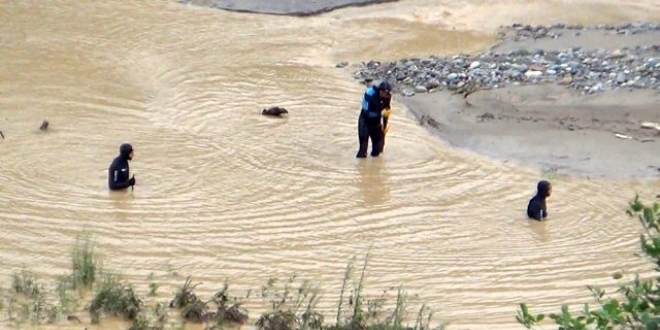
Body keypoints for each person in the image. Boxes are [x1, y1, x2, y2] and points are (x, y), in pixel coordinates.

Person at [356, 80, 392, 158]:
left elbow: (387, 110)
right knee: (363, 151)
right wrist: (381, 114)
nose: (386, 96)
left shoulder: (387, 96)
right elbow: (368, 113)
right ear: (380, 91)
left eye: (388, 94)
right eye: (385, 94)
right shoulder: (370, 95)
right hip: (365, 122)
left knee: (377, 150)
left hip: (376, 122)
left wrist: (384, 128)